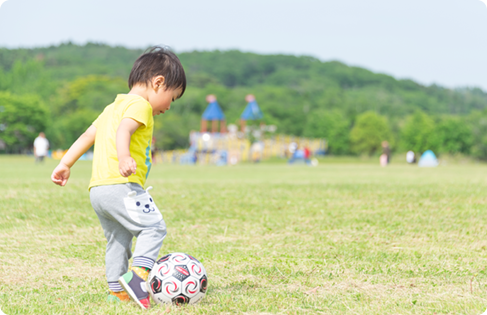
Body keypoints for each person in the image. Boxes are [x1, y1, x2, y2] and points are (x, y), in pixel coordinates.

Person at [50, 47, 186, 309]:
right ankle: (138, 277)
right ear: (158, 82)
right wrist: (124, 156)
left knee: (118, 239)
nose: (169, 106)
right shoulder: (140, 105)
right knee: (154, 227)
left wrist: (65, 163)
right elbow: (125, 129)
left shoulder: (111, 107)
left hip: (98, 190)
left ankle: (118, 291)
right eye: (172, 97)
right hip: (122, 185)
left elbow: (87, 136)